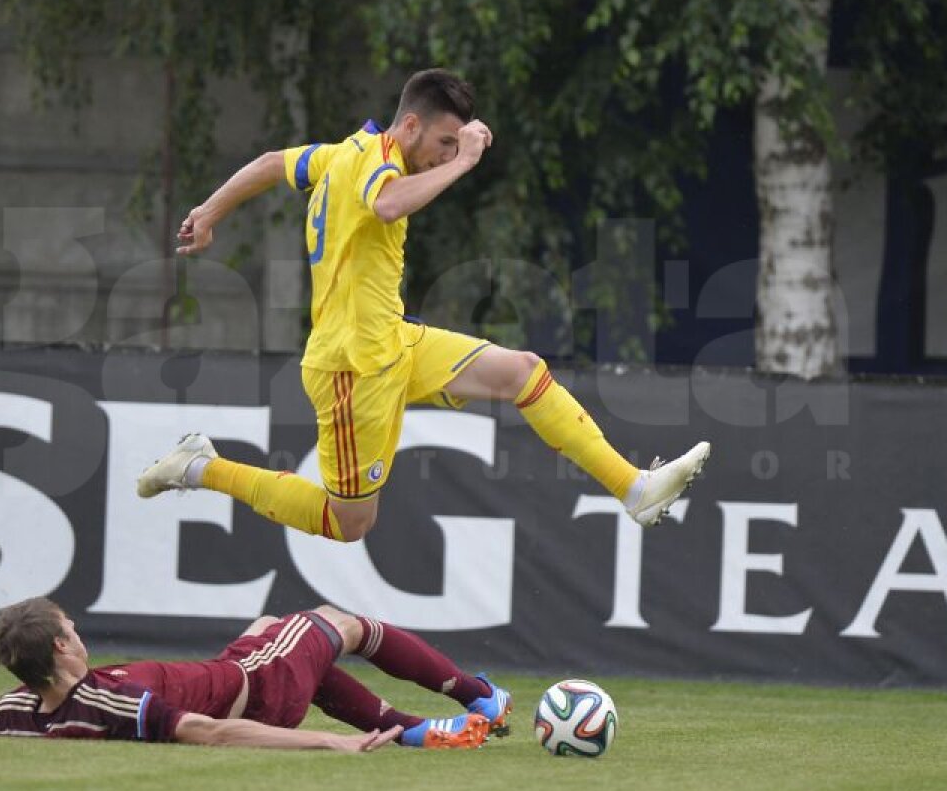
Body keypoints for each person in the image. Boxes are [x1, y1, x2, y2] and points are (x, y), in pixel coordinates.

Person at [137, 68, 710, 542]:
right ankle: (198, 467)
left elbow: (270, 164)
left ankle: (633, 489)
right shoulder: (374, 162)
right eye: (442, 143)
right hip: (352, 367)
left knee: (523, 371)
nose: (445, 156)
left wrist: (210, 212)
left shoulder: (342, 153)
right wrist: (465, 163)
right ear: (410, 124)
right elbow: (386, 204)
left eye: (453, 148)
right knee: (349, 522)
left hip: (393, 342)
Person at [0, 597, 512, 752]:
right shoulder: (109, 697)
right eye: (72, 629)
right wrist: (332, 742)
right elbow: (210, 731)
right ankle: (479, 691)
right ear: (66, 650)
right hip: (259, 687)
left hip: (245, 672)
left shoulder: (26, 707)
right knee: (343, 623)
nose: (79, 634)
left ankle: (416, 731)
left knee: (271, 624)